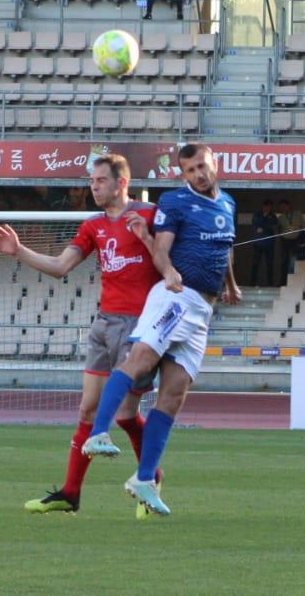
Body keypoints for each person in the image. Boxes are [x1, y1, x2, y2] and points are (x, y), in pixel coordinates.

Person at [0, 154, 160, 514]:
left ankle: (150, 477)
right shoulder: (92, 225)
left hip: (139, 328)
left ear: (121, 182)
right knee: (87, 410)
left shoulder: (150, 216)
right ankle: (70, 493)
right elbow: (60, 267)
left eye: (99, 180)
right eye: (92, 181)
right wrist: (18, 251)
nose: (93, 187)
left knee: (127, 415)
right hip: (103, 324)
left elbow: (173, 257)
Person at [80, 144, 240, 518]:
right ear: (183, 175)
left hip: (204, 310)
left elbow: (225, 247)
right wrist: (168, 272)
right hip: (175, 298)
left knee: (174, 394)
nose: (199, 174)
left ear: (214, 163)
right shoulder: (174, 201)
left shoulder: (229, 203)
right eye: (190, 170)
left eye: (202, 166)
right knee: (140, 360)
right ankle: (98, 432)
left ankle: (145, 479)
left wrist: (231, 284)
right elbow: (162, 248)